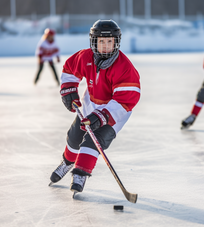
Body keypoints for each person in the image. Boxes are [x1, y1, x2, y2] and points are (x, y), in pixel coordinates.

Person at [49, 20, 141, 194]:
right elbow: (70, 69)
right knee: (74, 137)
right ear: (93, 41)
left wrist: (103, 116)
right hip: (90, 104)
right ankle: (67, 162)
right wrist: (69, 89)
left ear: (116, 42)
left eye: (109, 42)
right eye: (101, 41)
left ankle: (81, 173)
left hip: (116, 111)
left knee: (94, 140)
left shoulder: (124, 67)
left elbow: (126, 99)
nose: (105, 46)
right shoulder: (86, 57)